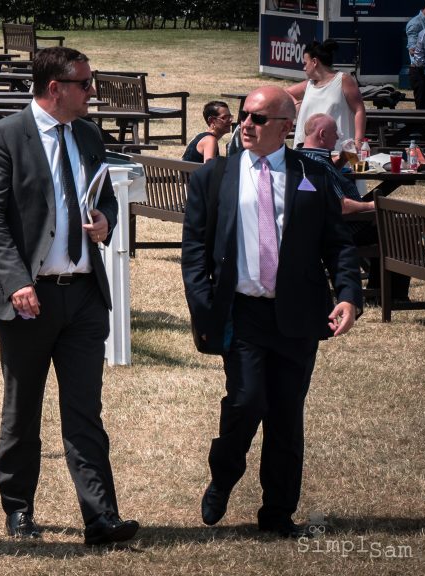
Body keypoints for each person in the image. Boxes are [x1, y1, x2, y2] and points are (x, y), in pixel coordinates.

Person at [0, 47, 139, 546]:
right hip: (29, 297)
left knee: (85, 410)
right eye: (85, 83)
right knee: (23, 410)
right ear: (55, 88)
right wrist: (17, 281)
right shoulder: (4, 137)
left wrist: (107, 218)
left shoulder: (86, 134)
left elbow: (102, 192)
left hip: (84, 294)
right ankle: (19, 510)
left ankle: (101, 518)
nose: (93, 92)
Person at [181, 86, 362, 539]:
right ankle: (223, 476)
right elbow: (195, 253)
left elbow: (337, 242)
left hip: (298, 316)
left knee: (285, 416)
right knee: (245, 403)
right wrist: (204, 307)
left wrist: (348, 295)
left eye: (258, 119)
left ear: (286, 127)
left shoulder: (312, 176)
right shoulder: (213, 177)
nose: (245, 124)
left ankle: (277, 515)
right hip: (241, 315)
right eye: (244, 115)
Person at [298, 113, 411, 302]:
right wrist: (373, 205)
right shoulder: (319, 165)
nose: (339, 136)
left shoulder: (302, 157)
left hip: (318, 226)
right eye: (336, 132)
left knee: (386, 224)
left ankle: (379, 289)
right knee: (399, 231)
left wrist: (342, 159)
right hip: (343, 228)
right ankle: (390, 296)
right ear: (323, 134)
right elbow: (340, 206)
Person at [286, 39, 365, 149]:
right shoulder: (309, 85)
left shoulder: (343, 80)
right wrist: (296, 105)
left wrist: (358, 141)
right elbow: (286, 93)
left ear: (314, 62)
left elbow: (359, 110)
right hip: (307, 151)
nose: (304, 68)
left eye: (305, 63)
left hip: (338, 150)